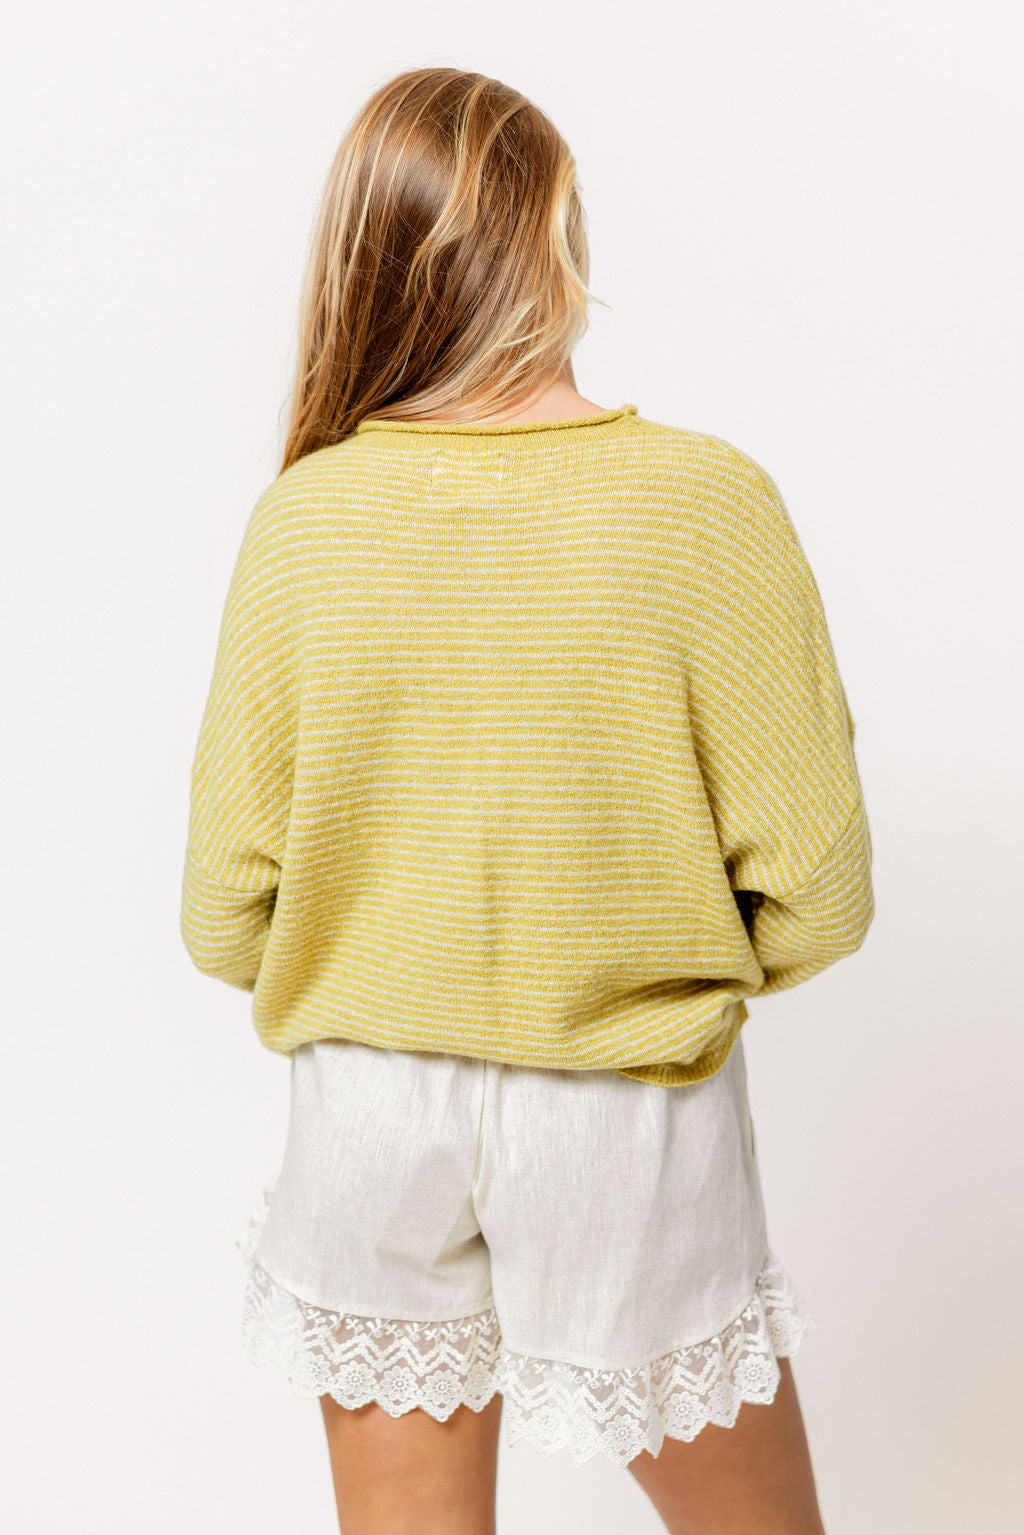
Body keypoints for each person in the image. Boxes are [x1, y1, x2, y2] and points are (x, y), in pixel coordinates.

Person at [180, 65, 874, 1535]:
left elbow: (222, 916)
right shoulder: (704, 502)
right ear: (556, 237)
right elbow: (823, 894)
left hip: (365, 1109)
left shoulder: (303, 518)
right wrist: (638, 960)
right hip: (624, 1112)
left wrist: (395, 953)